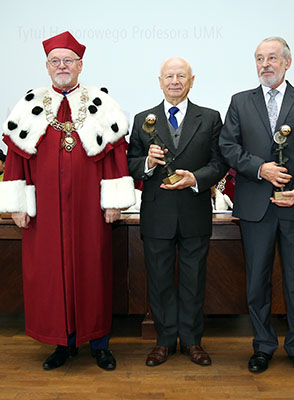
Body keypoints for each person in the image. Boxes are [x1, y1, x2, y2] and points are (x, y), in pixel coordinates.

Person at [0, 31, 135, 371]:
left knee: (94, 271)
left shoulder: (101, 103)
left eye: (68, 61)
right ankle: (62, 343)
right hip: (45, 213)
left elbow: (115, 157)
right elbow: (16, 159)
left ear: (80, 65)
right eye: (55, 61)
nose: (62, 66)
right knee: (50, 276)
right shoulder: (29, 105)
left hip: (90, 211)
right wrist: (17, 204)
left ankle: (99, 343)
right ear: (47, 67)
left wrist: (114, 200)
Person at [219, 37, 294, 375]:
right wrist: (259, 168)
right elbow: (228, 146)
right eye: (259, 59)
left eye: (271, 58)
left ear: (287, 62)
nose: (265, 64)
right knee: (257, 282)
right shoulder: (240, 102)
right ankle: (263, 345)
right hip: (255, 206)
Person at [127, 57, 227, 367]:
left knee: (194, 281)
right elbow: (130, 162)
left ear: (191, 80)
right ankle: (165, 341)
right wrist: (147, 162)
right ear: (159, 81)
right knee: (159, 281)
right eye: (169, 76)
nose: (174, 81)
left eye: (181, 76)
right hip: (158, 215)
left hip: (194, 211)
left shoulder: (210, 118)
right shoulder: (143, 119)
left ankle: (193, 342)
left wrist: (196, 178)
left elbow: (220, 162)